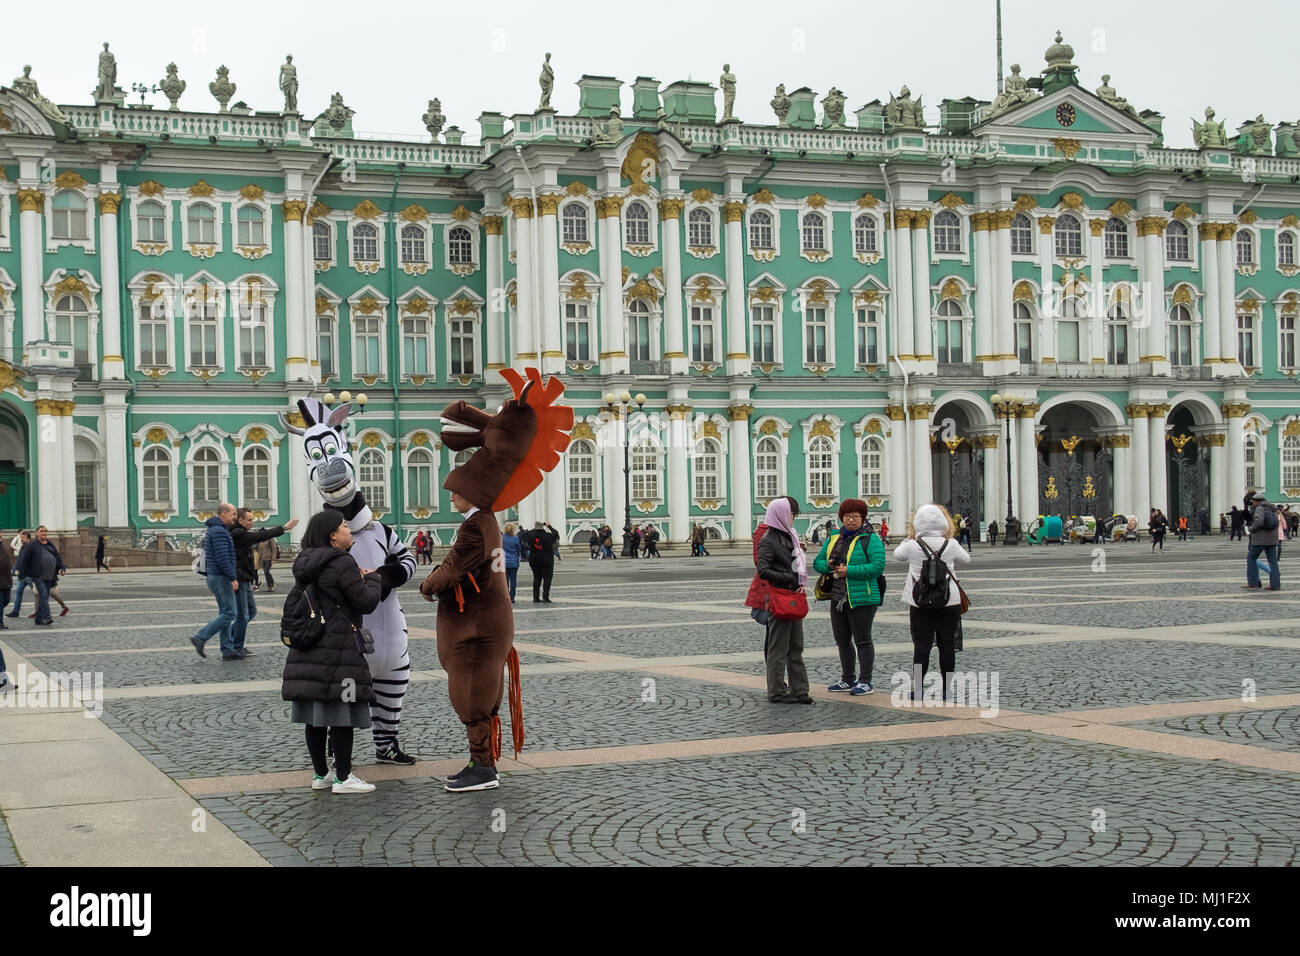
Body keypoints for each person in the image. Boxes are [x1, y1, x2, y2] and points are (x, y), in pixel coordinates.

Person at [281, 509, 383, 794]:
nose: (349, 531)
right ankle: (344, 777)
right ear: (332, 536)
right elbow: (365, 603)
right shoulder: (341, 562)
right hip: (338, 646)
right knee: (342, 711)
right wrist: (373, 578)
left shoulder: (306, 561)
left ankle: (320, 774)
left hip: (308, 646)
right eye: (344, 527)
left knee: (315, 713)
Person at [894, 504, 970, 701]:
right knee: (947, 647)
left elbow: (897, 554)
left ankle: (918, 689)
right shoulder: (950, 544)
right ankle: (946, 689)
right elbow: (966, 559)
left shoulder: (912, 546)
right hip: (949, 602)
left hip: (920, 602)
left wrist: (911, 537)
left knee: (921, 648)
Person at [814, 498, 885, 696]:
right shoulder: (834, 538)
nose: (851, 520)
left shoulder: (871, 539)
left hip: (863, 597)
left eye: (855, 516)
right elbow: (818, 562)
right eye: (847, 516)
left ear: (863, 518)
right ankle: (848, 678)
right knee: (842, 640)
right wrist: (828, 566)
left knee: (862, 640)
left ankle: (866, 681)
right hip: (838, 596)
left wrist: (849, 571)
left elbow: (877, 566)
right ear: (841, 518)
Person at [751, 496, 811, 704]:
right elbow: (763, 569)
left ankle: (800, 690)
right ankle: (776, 691)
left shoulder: (790, 535)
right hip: (779, 598)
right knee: (778, 648)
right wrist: (789, 577)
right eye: (790, 514)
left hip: (793, 596)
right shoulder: (769, 539)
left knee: (796, 646)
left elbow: (794, 565)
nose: (792, 518)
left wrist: (799, 564)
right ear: (779, 515)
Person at [229, 508, 297, 658]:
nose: (252, 522)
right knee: (242, 615)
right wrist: (283, 528)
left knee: (251, 611)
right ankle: (236, 647)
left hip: (245, 577)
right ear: (240, 521)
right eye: (250, 519)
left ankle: (231, 640)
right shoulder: (238, 534)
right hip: (239, 578)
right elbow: (260, 536)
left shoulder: (239, 532)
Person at [190, 503, 241, 658]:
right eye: (233, 514)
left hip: (216, 576)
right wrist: (232, 577)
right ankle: (201, 637)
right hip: (221, 577)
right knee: (230, 613)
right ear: (223, 514)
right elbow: (222, 557)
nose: (235, 518)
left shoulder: (216, 529)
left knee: (224, 613)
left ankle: (227, 649)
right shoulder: (219, 531)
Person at [14, 525, 65, 627]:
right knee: (44, 596)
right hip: (38, 576)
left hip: (50, 576)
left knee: (43, 597)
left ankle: (38, 619)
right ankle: (47, 616)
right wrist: (22, 574)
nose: (44, 533)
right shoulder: (32, 545)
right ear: (37, 533)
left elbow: (57, 557)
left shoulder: (50, 544)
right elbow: (25, 560)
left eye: (45, 531)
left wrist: (61, 568)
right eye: (42, 531)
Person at [1244, 492, 1281, 591]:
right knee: (1273, 562)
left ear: (1258, 501)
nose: (1252, 504)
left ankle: (1253, 582)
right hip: (1272, 539)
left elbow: (1259, 522)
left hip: (1260, 539)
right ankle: (1275, 584)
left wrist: (1251, 529)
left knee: (1251, 558)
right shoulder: (1273, 508)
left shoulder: (1260, 509)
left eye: (1253, 502)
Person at [526, 521, 559, 603]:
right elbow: (556, 534)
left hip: (534, 560)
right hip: (547, 560)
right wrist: (549, 526)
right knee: (547, 579)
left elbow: (526, 533)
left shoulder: (530, 535)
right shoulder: (548, 536)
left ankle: (535, 597)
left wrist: (536, 527)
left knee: (536, 579)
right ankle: (545, 597)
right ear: (543, 527)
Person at [6, 530, 31, 618]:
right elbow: (18, 562)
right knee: (18, 594)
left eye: (23, 538)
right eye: (21, 538)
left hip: (30, 576)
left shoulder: (31, 548)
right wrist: (12, 571)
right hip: (22, 576)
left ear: (28, 539)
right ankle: (15, 611)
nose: (21, 540)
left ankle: (41, 611)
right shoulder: (22, 548)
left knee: (38, 595)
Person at [502, 521, 522, 603]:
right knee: (513, 581)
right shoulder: (515, 538)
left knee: (505, 581)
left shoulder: (501, 538)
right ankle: (512, 597)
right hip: (514, 562)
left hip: (504, 562)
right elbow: (519, 549)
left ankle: (506, 596)